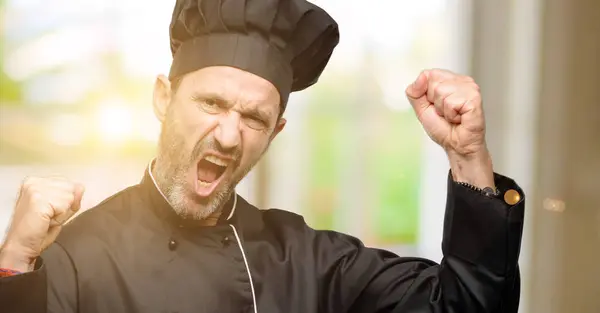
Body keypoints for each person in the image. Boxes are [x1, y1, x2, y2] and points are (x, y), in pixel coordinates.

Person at [0, 0, 525, 312]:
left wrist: (467, 156)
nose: (228, 135)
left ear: (276, 131)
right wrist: (13, 263)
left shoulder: (306, 258)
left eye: (253, 118)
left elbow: (465, 307)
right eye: (211, 103)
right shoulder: (73, 257)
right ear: (163, 98)